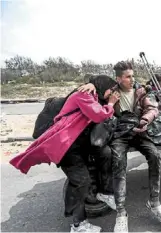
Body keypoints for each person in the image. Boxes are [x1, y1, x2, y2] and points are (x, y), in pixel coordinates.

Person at [9, 75, 120, 233]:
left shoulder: (94, 95)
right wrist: (110, 104)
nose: (112, 92)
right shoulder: (84, 94)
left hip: (75, 143)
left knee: (101, 159)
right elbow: (99, 115)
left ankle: (103, 194)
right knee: (81, 182)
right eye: (112, 89)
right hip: (66, 145)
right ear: (103, 85)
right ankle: (78, 225)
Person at [81, 61, 161, 233]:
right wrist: (91, 83)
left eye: (132, 75)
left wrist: (145, 120)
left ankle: (155, 202)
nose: (132, 79)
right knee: (119, 164)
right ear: (119, 78)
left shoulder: (140, 90)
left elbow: (152, 108)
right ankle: (121, 214)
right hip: (119, 134)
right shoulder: (111, 91)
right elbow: (93, 82)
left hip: (139, 130)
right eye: (128, 76)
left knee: (154, 155)